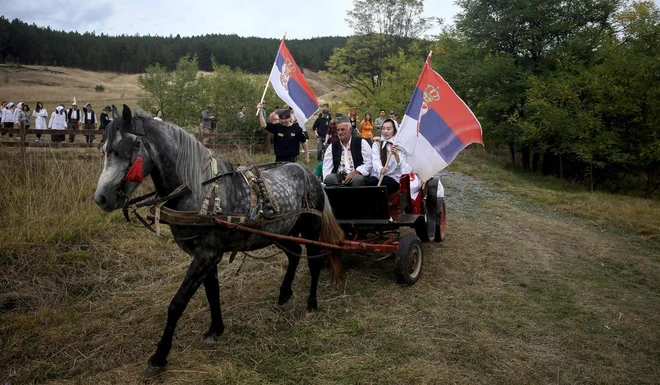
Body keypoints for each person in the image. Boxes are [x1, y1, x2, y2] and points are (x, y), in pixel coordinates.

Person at [365, 119, 412, 196]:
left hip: (394, 178)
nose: (385, 131)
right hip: (379, 175)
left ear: (394, 130)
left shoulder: (399, 145)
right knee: (370, 182)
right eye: (383, 129)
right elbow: (375, 159)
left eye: (388, 129)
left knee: (385, 182)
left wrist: (396, 155)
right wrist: (380, 169)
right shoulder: (377, 144)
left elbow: (404, 166)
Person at [322, 115, 372, 186]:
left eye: (343, 129)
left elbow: (369, 163)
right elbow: (327, 167)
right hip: (339, 176)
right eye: (338, 130)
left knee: (357, 179)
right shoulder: (332, 147)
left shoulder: (361, 143)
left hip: (357, 175)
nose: (340, 132)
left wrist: (356, 172)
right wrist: (326, 180)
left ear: (350, 129)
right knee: (330, 178)